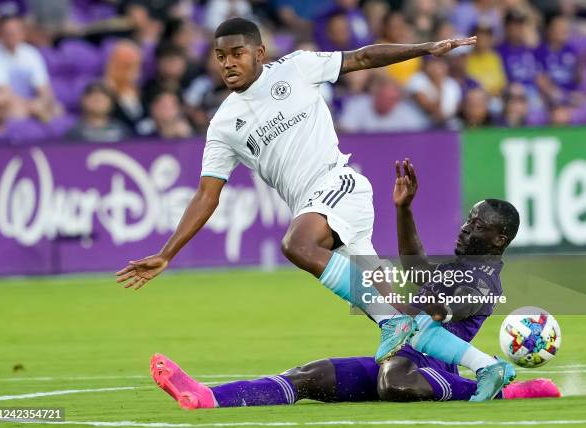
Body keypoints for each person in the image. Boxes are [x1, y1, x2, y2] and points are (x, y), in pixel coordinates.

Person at [116, 17, 512, 401]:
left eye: (237, 53)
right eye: (221, 57)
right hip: (321, 214)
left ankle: (398, 325)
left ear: (260, 52)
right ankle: (488, 368)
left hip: (339, 186)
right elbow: (207, 194)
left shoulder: (296, 68)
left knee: (297, 245)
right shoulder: (223, 125)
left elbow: (361, 58)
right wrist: (167, 253)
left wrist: (424, 49)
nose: (228, 63)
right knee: (404, 312)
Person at [147, 160, 559, 409]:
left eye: (477, 225)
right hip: (399, 358)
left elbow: (459, 306)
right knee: (310, 374)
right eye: (468, 219)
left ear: (499, 240)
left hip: (429, 369)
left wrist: (414, 312)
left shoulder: (485, 280)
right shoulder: (457, 265)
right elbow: (414, 268)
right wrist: (404, 209)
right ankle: (207, 396)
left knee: (396, 377)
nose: (466, 228)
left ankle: (494, 387)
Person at [0, 14, 60, 121]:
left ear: (23, 33)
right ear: (0, 33)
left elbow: (44, 87)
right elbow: (2, 90)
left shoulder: (31, 52)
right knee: (3, 103)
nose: (12, 35)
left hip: (32, 104)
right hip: (10, 103)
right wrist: (30, 106)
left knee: (57, 109)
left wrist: (42, 103)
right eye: (7, 32)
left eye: (15, 31)